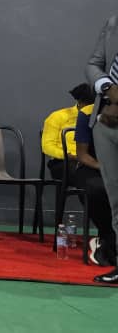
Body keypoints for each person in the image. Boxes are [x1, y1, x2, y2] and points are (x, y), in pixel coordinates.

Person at [84, 13, 118, 283]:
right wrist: (107, 86)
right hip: (105, 121)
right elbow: (94, 64)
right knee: (115, 199)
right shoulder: (113, 22)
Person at [73, 100, 116, 266]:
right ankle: (107, 238)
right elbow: (82, 155)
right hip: (92, 166)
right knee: (96, 188)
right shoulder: (87, 114)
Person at [41, 83, 95, 180]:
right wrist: (70, 155)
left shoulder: (101, 119)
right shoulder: (58, 116)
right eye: (87, 105)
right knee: (88, 175)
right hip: (63, 162)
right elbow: (47, 146)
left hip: (90, 161)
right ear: (79, 101)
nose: (89, 109)